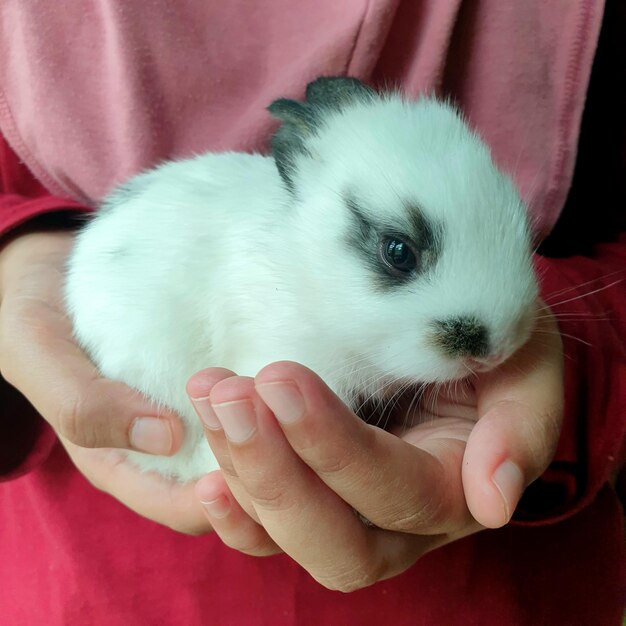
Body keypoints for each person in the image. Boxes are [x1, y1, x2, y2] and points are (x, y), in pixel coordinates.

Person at [0, 1, 624, 624]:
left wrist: (577, 372)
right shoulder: (270, 286)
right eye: (400, 255)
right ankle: (195, 451)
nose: (492, 335)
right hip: (103, 571)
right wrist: (15, 251)